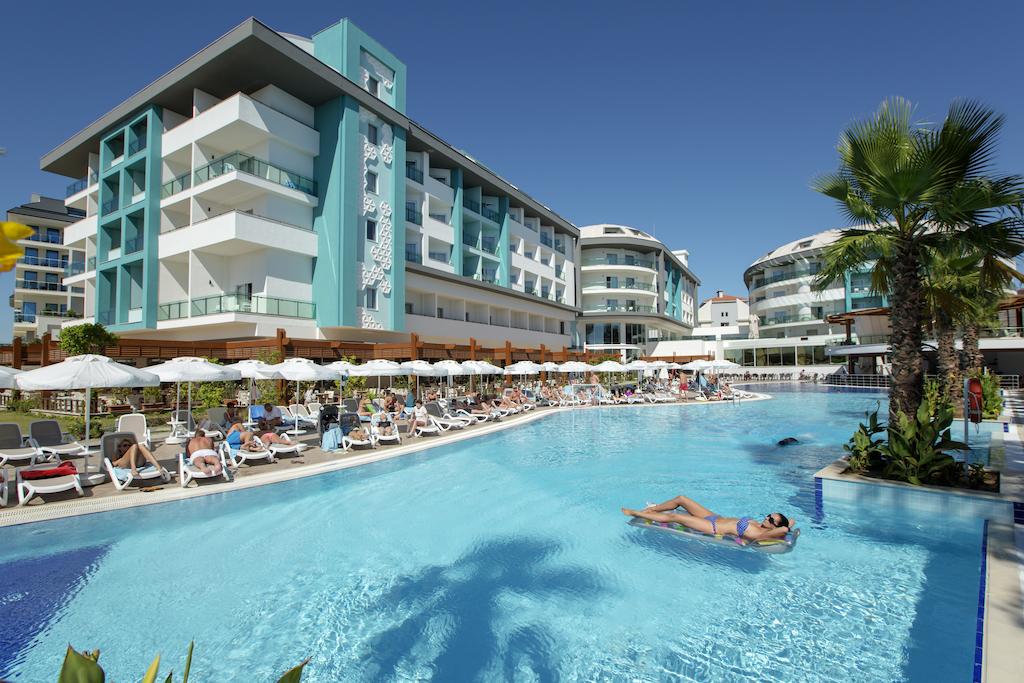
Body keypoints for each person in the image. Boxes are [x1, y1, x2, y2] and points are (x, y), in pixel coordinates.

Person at [622, 494, 792, 542]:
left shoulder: (760, 534)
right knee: (682, 499)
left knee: (675, 517)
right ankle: (653, 509)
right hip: (715, 517)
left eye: (771, 520)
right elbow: (789, 522)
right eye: (768, 515)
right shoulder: (761, 526)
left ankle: (636, 513)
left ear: (774, 527)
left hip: (712, 528)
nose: (767, 518)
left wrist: (786, 529)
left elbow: (784, 529)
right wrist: (788, 525)